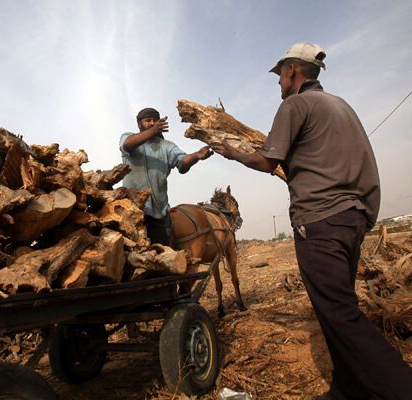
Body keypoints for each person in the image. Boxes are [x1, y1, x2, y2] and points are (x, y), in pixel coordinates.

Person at [213, 42, 412, 400]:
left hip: (320, 222)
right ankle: (346, 389)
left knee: (339, 314)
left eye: (280, 76)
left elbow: (266, 162)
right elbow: (367, 164)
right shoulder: (341, 106)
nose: (278, 83)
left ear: (292, 70)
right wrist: (364, 216)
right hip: (352, 220)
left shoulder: (295, 105)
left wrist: (232, 153)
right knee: (335, 311)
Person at [120, 107, 212, 246]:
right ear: (139, 124)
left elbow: (182, 164)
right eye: (148, 120)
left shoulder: (167, 146)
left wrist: (196, 155)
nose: (152, 123)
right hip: (131, 211)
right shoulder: (128, 137)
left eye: (155, 120)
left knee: (162, 258)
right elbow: (126, 145)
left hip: (159, 215)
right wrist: (153, 131)